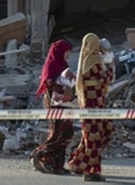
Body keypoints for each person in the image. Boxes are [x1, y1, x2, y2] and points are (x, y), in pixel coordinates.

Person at [68, 33, 115, 182]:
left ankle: (81, 165)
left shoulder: (88, 60)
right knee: (94, 139)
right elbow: (105, 79)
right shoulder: (93, 60)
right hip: (94, 104)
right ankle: (89, 170)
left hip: (94, 104)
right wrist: (110, 66)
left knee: (97, 136)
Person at [30, 39, 75, 175]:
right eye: (67, 52)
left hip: (65, 104)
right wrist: (64, 88)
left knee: (64, 133)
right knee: (60, 134)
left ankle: (57, 166)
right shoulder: (52, 64)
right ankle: (39, 154)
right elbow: (49, 84)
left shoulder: (62, 64)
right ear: (60, 51)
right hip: (56, 105)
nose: (68, 54)